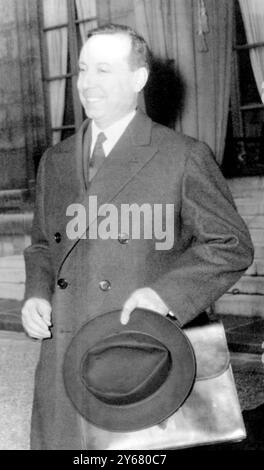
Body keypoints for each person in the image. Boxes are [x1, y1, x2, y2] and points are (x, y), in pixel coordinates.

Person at [21, 23, 254, 450]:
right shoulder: (54, 162)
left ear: (138, 78)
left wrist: (167, 296)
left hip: (136, 346)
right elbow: (41, 244)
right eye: (83, 69)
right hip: (64, 348)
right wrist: (36, 292)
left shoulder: (181, 156)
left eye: (104, 70)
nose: (88, 83)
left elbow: (230, 245)